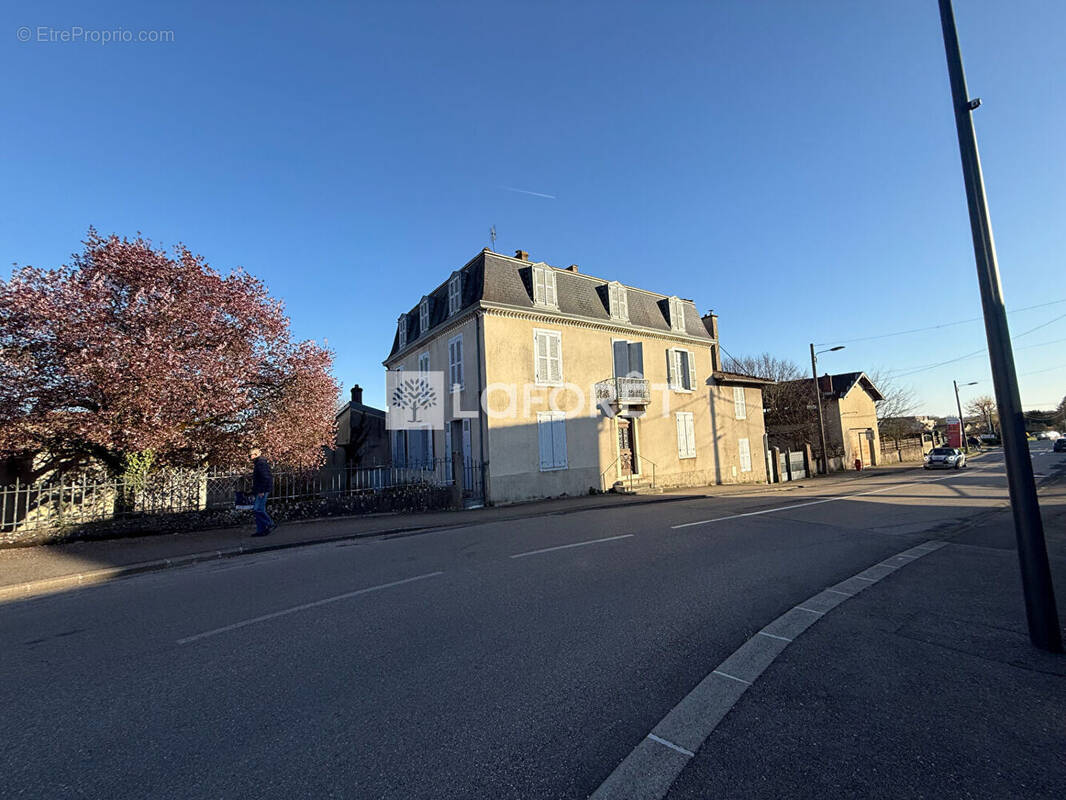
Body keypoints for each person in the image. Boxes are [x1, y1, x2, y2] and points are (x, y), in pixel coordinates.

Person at [249, 447, 276, 537]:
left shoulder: (260, 464)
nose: (249, 457)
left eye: (250, 455)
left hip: (262, 490)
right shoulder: (260, 463)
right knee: (260, 509)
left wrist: (261, 490)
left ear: (255, 455)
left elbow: (265, 478)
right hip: (262, 489)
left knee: (257, 509)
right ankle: (261, 530)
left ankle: (269, 523)